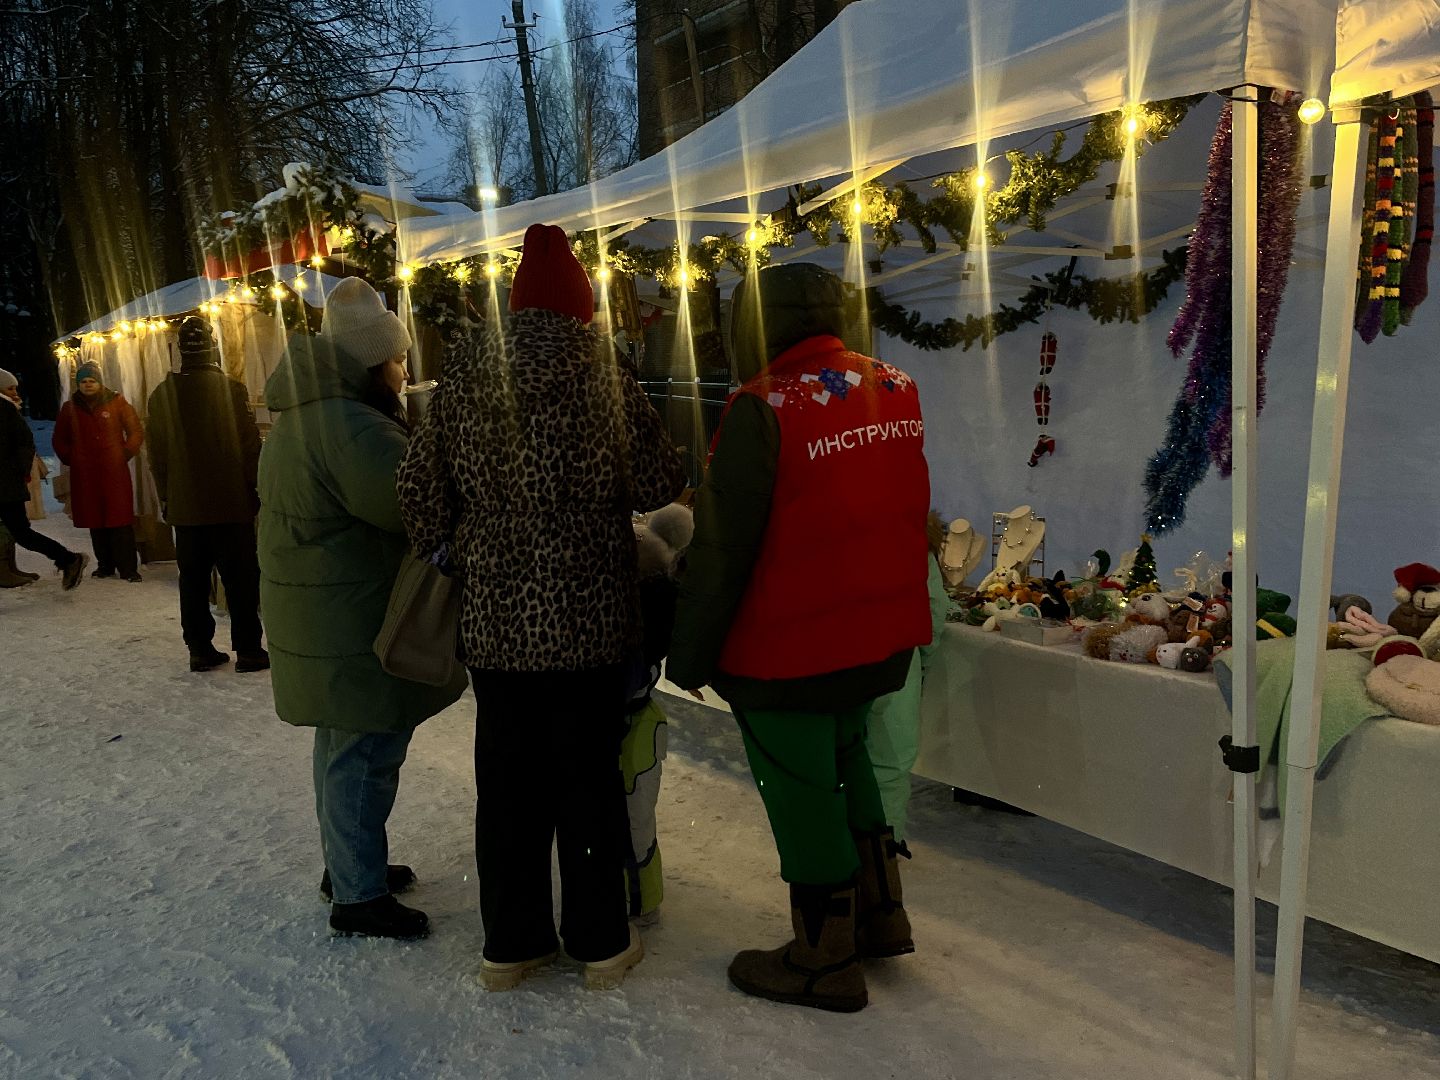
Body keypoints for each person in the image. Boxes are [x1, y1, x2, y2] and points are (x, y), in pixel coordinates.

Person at [397, 223, 684, 992]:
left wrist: (461, 549)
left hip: (497, 624)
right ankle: (598, 943)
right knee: (587, 779)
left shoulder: (464, 376)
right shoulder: (605, 372)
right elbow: (661, 479)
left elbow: (417, 493)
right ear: (579, 305)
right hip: (591, 617)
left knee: (507, 783)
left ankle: (511, 944)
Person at [667, 262, 932, 1013]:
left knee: (804, 789)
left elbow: (723, 547)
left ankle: (824, 957)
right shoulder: (895, 385)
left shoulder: (766, 406)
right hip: (879, 636)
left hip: (793, 649)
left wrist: (688, 653)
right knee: (852, 764)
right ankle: (882, 916)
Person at [258, 277, 467, 941]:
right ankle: (357, 895)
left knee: (344, 746)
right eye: (399, 360)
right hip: (352, 618)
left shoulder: (311, 414)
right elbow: (414, 507)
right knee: (364, 751)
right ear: (371, 362)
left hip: (328, 612)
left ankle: (348, 865)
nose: (406, 371)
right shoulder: (353, 428)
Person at [147, 317, 267, 673]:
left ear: (181, 352)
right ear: (213, 347)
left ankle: (199, 647)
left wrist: (167, 496)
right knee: (241, 579)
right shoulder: (231, 391)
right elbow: (249, 448)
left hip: (186, 508)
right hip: (232, 504)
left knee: (193, 580)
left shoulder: (161, 395)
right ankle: (248, 650)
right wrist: (254, 491)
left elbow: (158, 455)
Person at [862, 509, 952, 864]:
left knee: (843, 755)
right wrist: (924, 660)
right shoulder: (911, 535)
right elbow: (933, 607)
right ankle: (883, 848)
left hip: (839, 655)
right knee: (889, 761)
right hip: (897, 658)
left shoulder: (836, 526)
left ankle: (842, 844)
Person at [52, 360, 144, 581]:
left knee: (120, 520)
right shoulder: (70, 408)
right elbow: (59, 439)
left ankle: (128, 568)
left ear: (100, 382)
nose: (88, 385)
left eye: (92, 380)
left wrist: (124, 453)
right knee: (96, 521)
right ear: (78, 384)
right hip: (85, 475)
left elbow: (135, 432)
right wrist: (72, 458)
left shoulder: (117, 403)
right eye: (83, 381)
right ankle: (105, 565)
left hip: (114, 473)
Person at [0, 367, 87, 589]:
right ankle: (66, 559)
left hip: (5, 486)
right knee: (21, 533)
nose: (14, 392)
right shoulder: (6, 409)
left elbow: (22, 446)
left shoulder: (5, 410)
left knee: (21, 533)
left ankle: (68, 559)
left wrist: (17, 474)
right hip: (7, 484)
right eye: (10, 388)